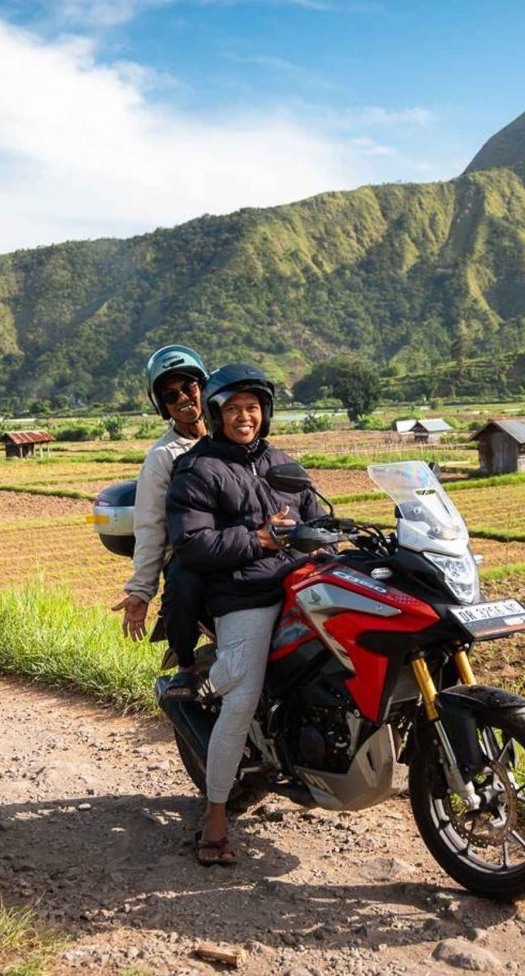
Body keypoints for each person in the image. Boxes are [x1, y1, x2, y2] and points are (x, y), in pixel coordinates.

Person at [166, 364, 322, 865]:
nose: (244, 418)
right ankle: (214, 817)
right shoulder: (197, 468)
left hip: (298, 581)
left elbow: (320, 518)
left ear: (266, 413)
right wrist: (259, 538)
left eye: (252, 409)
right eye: (232, 410)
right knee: (244, 692)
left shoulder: (285, 465)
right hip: (244, 593)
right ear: (214, 415)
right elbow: (191, 544)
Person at [112, 345, 208, 700]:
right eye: (171, 395)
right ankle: (185, 667)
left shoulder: (230, 432)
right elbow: (150, 525)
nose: (183, 398)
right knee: (184, 583)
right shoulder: (163, 456)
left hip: (236, 542)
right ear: (161, 405)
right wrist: (141, 590)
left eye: (189, 386)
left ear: (203, 385)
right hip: (188, 549)